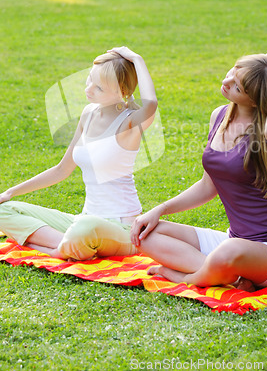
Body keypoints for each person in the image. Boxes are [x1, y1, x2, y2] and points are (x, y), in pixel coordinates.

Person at [131, 53, 267, 290]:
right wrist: (159, 210)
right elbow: (208, 185)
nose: (226, 82)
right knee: (145, 233)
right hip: (234, 241)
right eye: (232, 73)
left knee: (229, 251)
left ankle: (188, 277)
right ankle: (231, 278)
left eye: (237, 86)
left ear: (255, 100)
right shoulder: (220, 116)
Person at [0, 46, 158, 261]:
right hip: (84, 220)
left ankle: (57, 247)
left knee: (83, 229)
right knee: (4, 210)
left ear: (122, 90)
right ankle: (66, 247)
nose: (89, 89)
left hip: (120, 228)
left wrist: (136, 59)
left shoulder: (129, 123)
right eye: (89, 79)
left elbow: (152, 104)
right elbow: (61, 169)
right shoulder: (89, 114)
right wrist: (10, 192)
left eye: (99, 88)